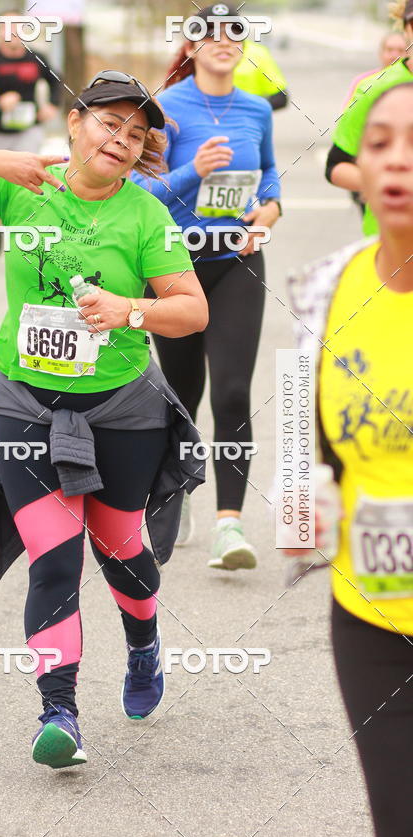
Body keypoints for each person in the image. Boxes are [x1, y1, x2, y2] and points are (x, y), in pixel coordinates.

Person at [0, 72, 209, 770]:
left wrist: (129, 308)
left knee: (122, 550)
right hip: (25, 405)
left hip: (120, 410)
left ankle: (143, 646)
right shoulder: (23, 187)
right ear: (75, 123)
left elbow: (192, 310)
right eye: (110, 124)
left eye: (137, 134)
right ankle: (60, 712)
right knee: (54, 559)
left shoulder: (145, 216)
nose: (122, 140)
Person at [286, 83, 413, 837]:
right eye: (381, 143)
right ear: (356, 171)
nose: (398, 157)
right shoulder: (325, 289)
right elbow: (310, 447)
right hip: (371, 609)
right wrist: (303, 522)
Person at [133, 3, 281, 569]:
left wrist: (268, 212)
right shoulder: (165, 110)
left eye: (234, 32)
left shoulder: (256, 108)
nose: (223, 40)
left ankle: (231, 527)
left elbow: (268, 172)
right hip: (175, 267)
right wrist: (193, 169)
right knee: (182, 394)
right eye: (209, 33)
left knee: (233, 391)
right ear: (190, 45)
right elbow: (143, 200)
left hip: (238, 261)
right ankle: (175, 491)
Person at [326, 0, 413, 237]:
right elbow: (335, 166)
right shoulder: (373, 88)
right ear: (406, 29)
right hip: (390, 245)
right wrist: (391, 184)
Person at [0, 12, 61, 153]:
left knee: (27, 171)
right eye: (8, 26)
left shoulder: (37, 58)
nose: (14, 31)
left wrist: (52, 105)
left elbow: (56, 81)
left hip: (30, 130)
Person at [341, 30, 408, 108]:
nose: (394, 55)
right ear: (381, 53)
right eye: (389, 50)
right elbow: (346, 113)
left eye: (401, 50)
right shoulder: (362, 80)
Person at [233, 38, 289, 110]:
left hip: (249, 118)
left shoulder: (258, 53)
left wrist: (249, 111)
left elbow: (280, 98)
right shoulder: (258, 52)